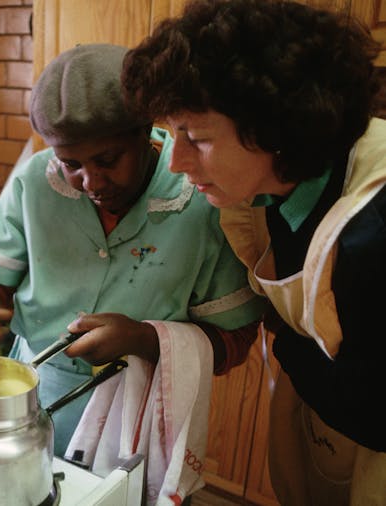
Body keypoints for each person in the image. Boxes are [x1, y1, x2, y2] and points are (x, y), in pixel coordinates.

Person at [0, 43, 266, 479]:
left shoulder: (200, 199)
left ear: (145, 131)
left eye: (108, 160)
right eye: (70, 163)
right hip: (33, 394)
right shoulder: (35, 182)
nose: (90, 181)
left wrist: (143, 338)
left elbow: (235, 340)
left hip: (136, 415)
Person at [121, 1, 386, 504]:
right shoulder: (268, 187)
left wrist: (285, 339)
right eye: (173, 133)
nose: (175, 162)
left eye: (196, 138)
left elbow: (376, 413)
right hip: (323, 420)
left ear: (276, 130)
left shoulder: (372, 231)